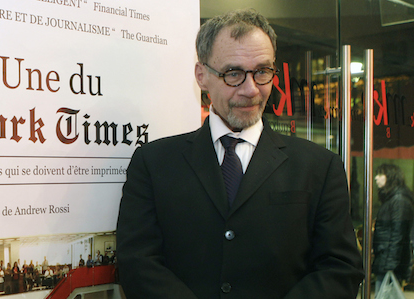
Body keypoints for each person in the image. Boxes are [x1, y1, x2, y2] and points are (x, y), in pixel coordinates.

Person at [116, 8, 364, 299]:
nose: (251, 90)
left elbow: (340, 268)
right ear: (202, 75)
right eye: (233, 73)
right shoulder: (154, 162)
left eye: (262, 72)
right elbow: (137, 264)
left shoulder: (320, 167)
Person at [373, 163, 414, 293]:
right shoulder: (393, 199)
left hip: (390, 262)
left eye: (380, 174)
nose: (376, 178)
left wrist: (390, 265)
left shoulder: (398, 200)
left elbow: (398, 234)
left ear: (390, 177)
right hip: (386, 259)